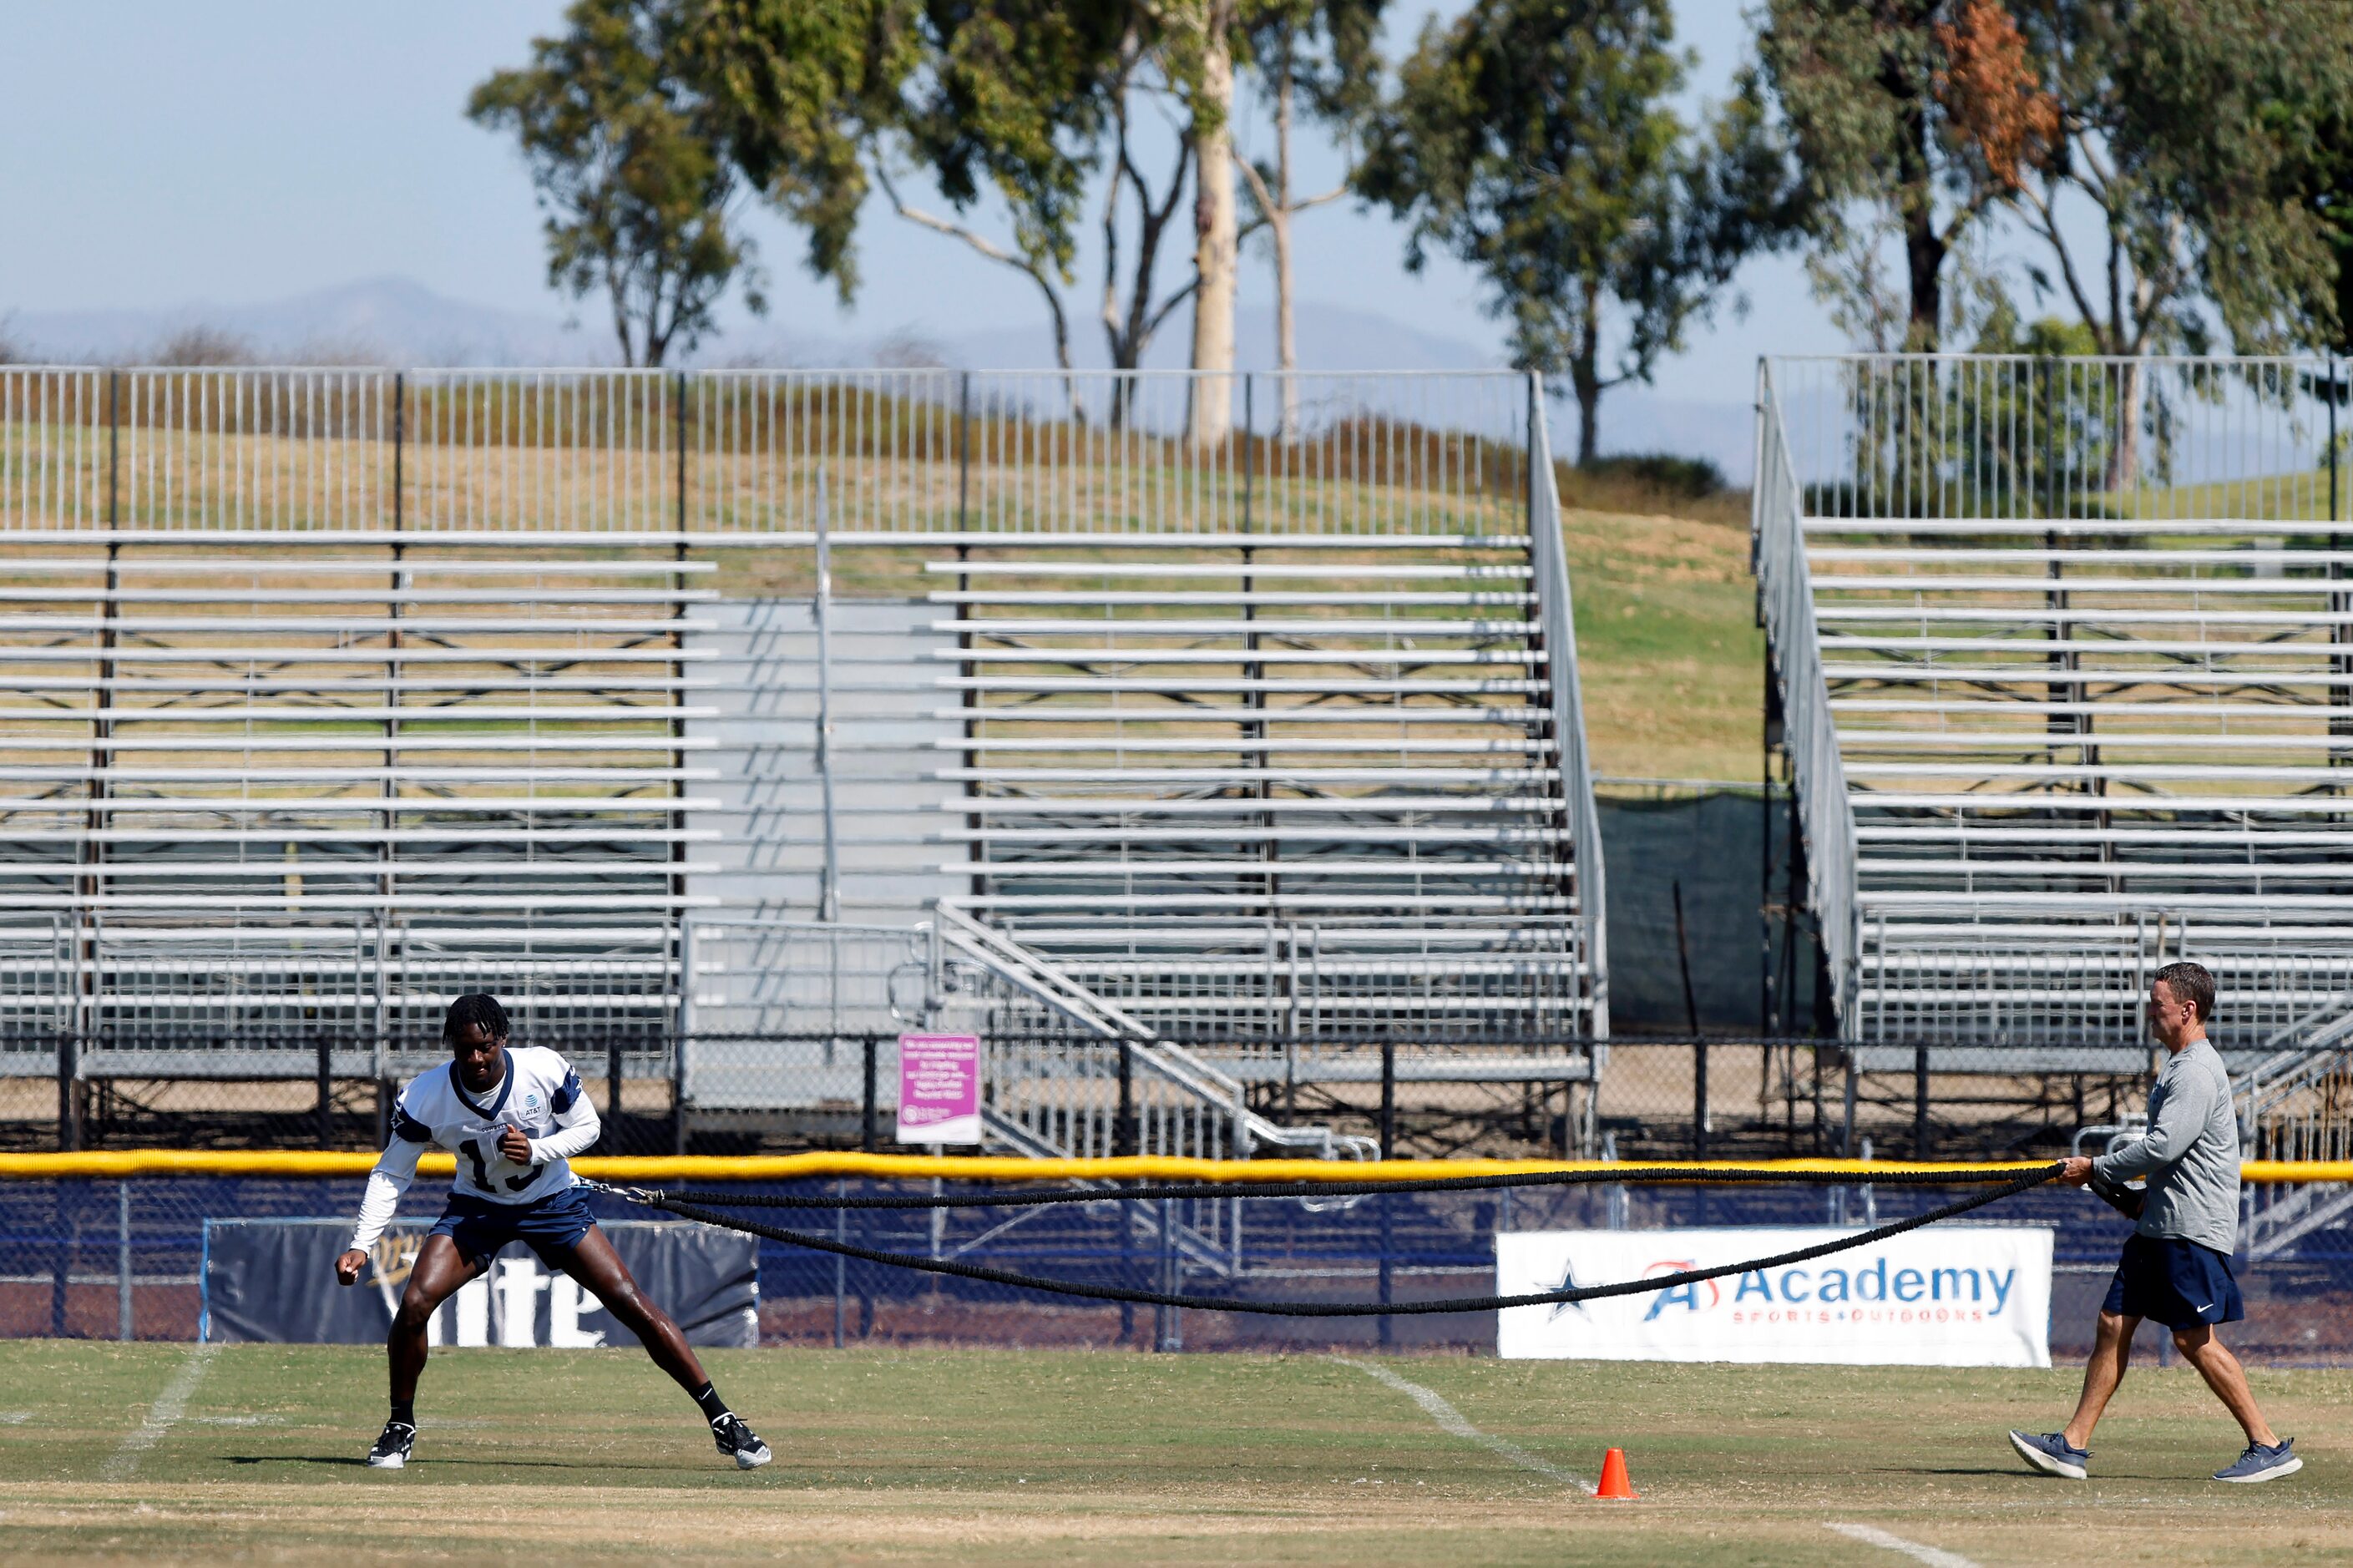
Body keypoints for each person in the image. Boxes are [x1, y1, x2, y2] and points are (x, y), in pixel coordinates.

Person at [335, 993, 769, 1472]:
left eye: (484, 1047)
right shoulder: (425, 1094)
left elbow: (587, 1128)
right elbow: (392, 1172)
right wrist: (361, 1243)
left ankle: (723, 1420)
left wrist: (538, 1150)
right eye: (464, 1050)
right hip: (478, 1209)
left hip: (553, 1204)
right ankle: (400, 1425)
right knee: (415, 1302)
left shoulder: (542, 1068)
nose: (476, 1060)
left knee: (629, 1299)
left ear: (501, 1039)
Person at [2008, 961, 2299, 1484]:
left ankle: (2268, 1444)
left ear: (2188, 1010)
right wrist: (2133, 1196)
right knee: (2114, 1323)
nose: (2149, 1014)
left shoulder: (2194, 1070)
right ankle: (2072, 1445)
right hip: (2158, 1225)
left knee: (2193, 1339)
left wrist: (2093, 1167)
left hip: (2187, 1229)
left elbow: (2164, 1146)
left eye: (2158, 1005)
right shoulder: (2180, 1066)